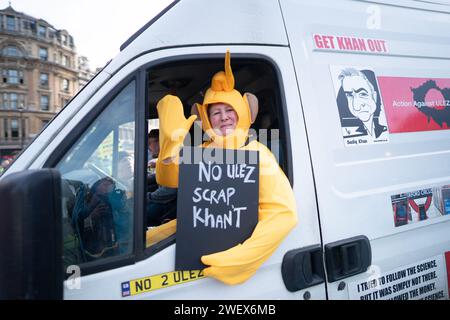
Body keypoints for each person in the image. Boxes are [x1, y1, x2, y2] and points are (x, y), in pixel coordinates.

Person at [147, 50, 298, 285]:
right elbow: (171, 180)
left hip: (240, 259)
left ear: (243, 113)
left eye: (229, 110)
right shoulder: (205, 151)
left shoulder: (258, 153)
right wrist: (170, 145)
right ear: (207, 120)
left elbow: (283, 214)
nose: (224, 117)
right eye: (216, 112)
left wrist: (241, 259)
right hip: (196, 249)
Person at [337, 68, 388, 140]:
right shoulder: (350, 134)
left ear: (374, 96)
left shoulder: (384, 131)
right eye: (350, 96)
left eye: (363, 94)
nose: (356, 106)